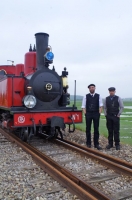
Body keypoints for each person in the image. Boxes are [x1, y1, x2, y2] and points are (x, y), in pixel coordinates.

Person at [81, 84, 103, 150]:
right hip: (88, 114)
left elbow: (101, 105)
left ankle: (96, 144)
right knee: (88, 129)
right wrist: (85, 113)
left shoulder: (99, 96)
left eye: (93, 87)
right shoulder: (86, 96)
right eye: (90, 87)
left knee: (96, 129)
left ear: (95, 88)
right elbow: (83, 106)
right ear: (89, 89)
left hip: (96, 113)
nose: (92, 88)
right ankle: (88, 143)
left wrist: (99, 113)